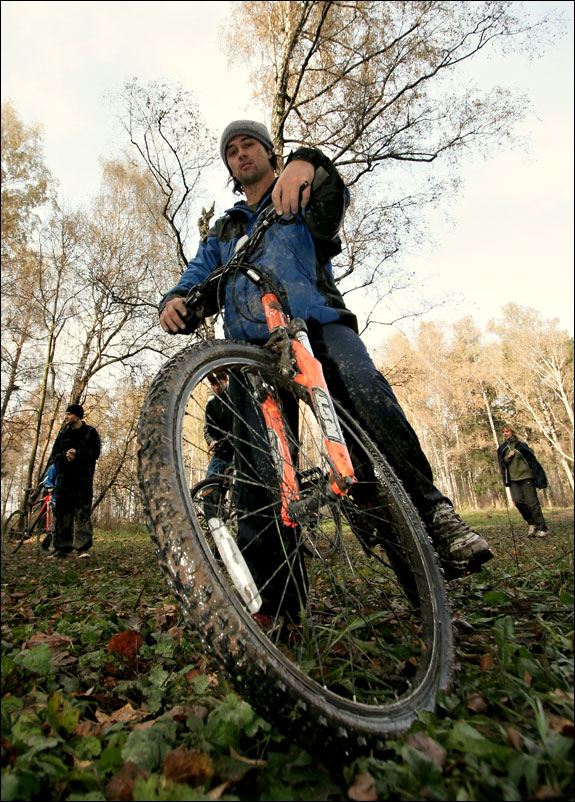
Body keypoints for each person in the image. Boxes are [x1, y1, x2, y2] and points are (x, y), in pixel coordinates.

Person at [159, 119, 492, 602]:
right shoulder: (223, 231)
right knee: (257, 471)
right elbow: (196, 277)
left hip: (315, 325)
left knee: (364, 393)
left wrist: (310, 163)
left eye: (249, 144)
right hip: (251, 353)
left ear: (271, 153)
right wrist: (178, 300)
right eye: (231, 151)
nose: (240, 153)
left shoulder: (296, 191)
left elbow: (332, 202)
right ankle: (278, 605)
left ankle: (431, 514)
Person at [47, 404, 101, 559]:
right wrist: (65, 456)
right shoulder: (63, 435)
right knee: (63, 514)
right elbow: (55, 454)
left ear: (78, 416)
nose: (66, 417)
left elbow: (95, 453)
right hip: (64, 482)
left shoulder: (90, 433)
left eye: (69, 414)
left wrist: (78, 454)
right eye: (66, 414)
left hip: (83, 481)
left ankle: (83, 548)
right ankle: (62, 548)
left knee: (82, 514)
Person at [497, 424, 549, 537]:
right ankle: (532, 523)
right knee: (518, 501)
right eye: (503, 432)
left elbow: (532, 460)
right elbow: (502, 464)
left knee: (532, 503)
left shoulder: (521, 446)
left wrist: (538, 476)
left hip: (526, 477)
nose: (505, 434)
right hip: (513, 479)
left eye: (507, 431)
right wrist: (508, 457)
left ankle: (542, 528)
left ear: (512, 432)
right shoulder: (502, 448)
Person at [201, 370, 234, 521]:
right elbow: (207, 429)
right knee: (209, 490)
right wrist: (211, 441)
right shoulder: (211, 406)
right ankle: (213, 525)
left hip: (237, 451)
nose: (216, 386)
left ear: (225, 380)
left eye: (219, 381)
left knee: (239, 489)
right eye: (213, 383)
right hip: (220, 452)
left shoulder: (235, 398)